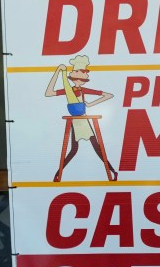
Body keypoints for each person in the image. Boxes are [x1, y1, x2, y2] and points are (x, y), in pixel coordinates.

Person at [44, 54, 118, 182]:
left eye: (82, 78)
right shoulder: (68, 90)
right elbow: (48, 92)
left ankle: (112, 172)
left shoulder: (83, 90)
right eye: (78, 76)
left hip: (84, 121)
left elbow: (108, 95)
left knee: (94, 148)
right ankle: (57, 174)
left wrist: (90, 104)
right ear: (72, 77)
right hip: (76, 122)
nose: (80, 80)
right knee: (75, 149)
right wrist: (57, 72)